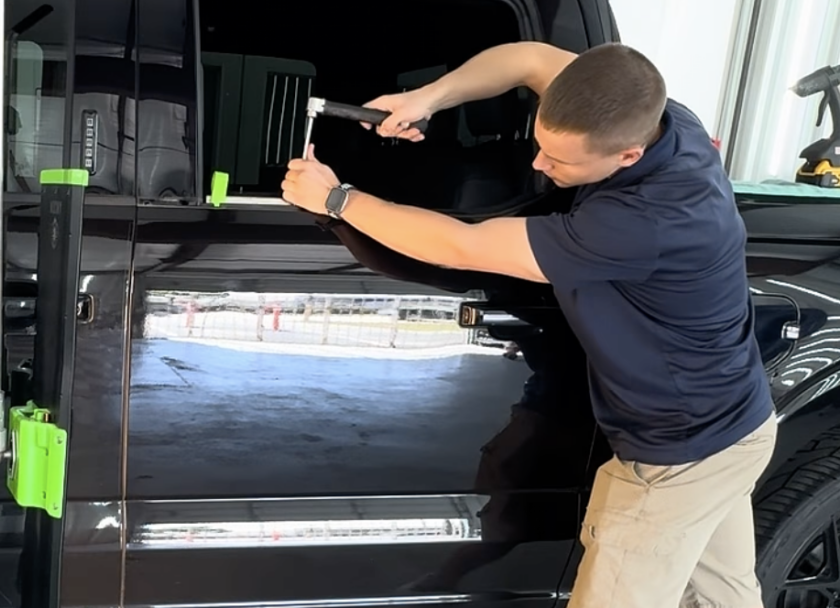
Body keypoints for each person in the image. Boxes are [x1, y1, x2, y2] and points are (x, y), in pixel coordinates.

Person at [280, 41, 777, 608]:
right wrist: (427, 98)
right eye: (540, 145)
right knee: (723, 598)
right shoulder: (664, 120)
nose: (539, 165)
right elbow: (534, 60)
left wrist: (337, 198)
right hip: (737, 428)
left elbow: (460, 246)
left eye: (560, 161)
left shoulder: (644, 222)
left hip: (680, 453)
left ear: (627, 157)